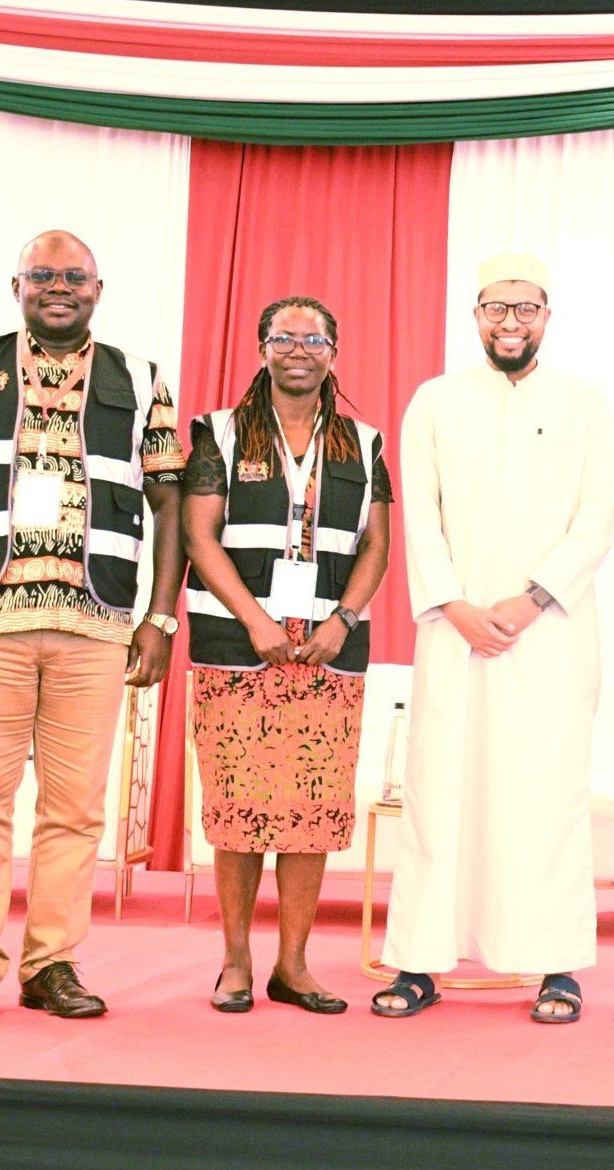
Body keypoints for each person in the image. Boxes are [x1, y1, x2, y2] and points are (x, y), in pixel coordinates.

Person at [0, 230, 186, 1025]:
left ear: (98, 290)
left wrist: (160, 618)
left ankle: (51, 963)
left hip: (97, 626)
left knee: (75, 810)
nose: (59, 287)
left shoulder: (143, 379)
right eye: (43, 275)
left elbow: (171, 507)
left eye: (75, 277)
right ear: (16, 286)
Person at [373, 254, 614, 1024]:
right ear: (476, 316)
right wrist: (455, 605)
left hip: (549, 638)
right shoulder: (435, 401)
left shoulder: (584, 404)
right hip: (456, 635)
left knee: (546, 797)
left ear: (547, 316)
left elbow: (597, 517)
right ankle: (418, 961)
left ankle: (556, 966)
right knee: (440, 794)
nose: (511, 323)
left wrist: (532, 599)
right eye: (496, 309)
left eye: (526, 309)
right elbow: (419, 515)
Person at [183, 296, 392, 1015]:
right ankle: (236, 962)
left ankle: (294, 967)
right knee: (238, 809)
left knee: (311, 810)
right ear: (261, 348)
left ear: (334, 352)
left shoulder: (364, 443)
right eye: (283, 338)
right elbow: (199, 537)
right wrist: (256, 621)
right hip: (237, 650)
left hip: (327, 653)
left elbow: (376, 546)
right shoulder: (218, 433)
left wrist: (343, 619)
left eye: (313, 340)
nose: (298, 350)